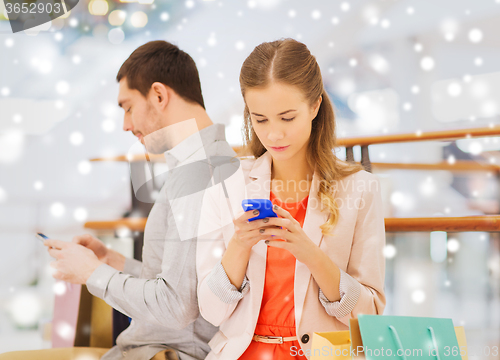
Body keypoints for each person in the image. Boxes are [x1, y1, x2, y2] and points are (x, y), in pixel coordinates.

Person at [1, 41, 235, 360]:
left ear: (158, 95)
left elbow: (178, 307)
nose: (126, 124)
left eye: (127, 107)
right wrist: (113, 262)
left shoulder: (197, 173)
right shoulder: (205, 162)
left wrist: (93, 274)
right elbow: (188, 288)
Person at [196, 38, 386, 359]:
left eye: (287, 118)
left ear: (314, 107)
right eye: (260, 119)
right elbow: (210, 311)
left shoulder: (360, 188)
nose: (274, 134)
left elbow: (369, 315)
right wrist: (240, 245)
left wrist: (311, 254)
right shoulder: (226, 184)